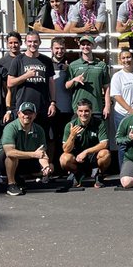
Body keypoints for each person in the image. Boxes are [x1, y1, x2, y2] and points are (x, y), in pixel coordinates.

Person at [0, 101, 53, 195]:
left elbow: (42, 153)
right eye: (24, 113)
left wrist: (46, 166)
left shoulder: (39, 130)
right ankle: (11, 184)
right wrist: (34, 154)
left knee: (51, 166)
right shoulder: (10, 127)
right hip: (2, 162)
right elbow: (9, 152)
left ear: (35, 115)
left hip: (25, 160)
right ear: (18, 114)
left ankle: (19, 177)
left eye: (30, 113)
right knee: (13, 156)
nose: (27, 116)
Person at [6, 30, 56, 134]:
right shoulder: (18, 60)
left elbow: (51, 83)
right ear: (25, 43)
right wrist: (25, 76)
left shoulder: (46, 60)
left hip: (42, 107)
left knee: (42, 136)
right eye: (30, 41)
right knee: (23, 136)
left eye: (35, 41)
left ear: (40, 42)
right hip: (23, 107)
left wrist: (53, 102)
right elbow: (10, 83)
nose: (32, 44)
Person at [58, 99, 112, 190]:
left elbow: (104, 143)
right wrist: (72, 136)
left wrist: (86, 152)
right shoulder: (70, 125)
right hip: (77, 158)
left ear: (91, 111)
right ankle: (77, 174)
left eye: (86, 111)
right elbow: (66, 149)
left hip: (94, 156)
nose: (83, 114)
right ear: (77, 111)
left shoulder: (99, 123)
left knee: (105, 154)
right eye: (80, 111)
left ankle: (99, 174)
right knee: (64, 159)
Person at [108, 48, 133, 153]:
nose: (126, 60)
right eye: (123, 58)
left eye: (128, 57)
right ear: (120, 60)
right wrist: (130, 109)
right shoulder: (117, 76)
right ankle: (123, 169)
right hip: (122, 114)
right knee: (123, 144)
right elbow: (116, 96)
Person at [47, 37, 75, 172]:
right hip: (52, 108)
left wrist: (69, 69)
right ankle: (51, 167)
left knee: (67, 139)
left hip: (67, 108)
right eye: (57, 48)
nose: (59, 51)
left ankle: (67, 168)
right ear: (51, 49)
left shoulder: (70, 66)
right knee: (51, 139)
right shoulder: (46, 64)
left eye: (62, 48)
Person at [65, 35, 111, 116]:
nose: (85, 47)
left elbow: (106, 87)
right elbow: (67, 86)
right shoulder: (73, 65)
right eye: (83, 44)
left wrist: (107, 106)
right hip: (78, 109)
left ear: (93, 45)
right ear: (80, 46)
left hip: (96, 108)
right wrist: (74, 80)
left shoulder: (101, 65)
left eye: (88, 44)